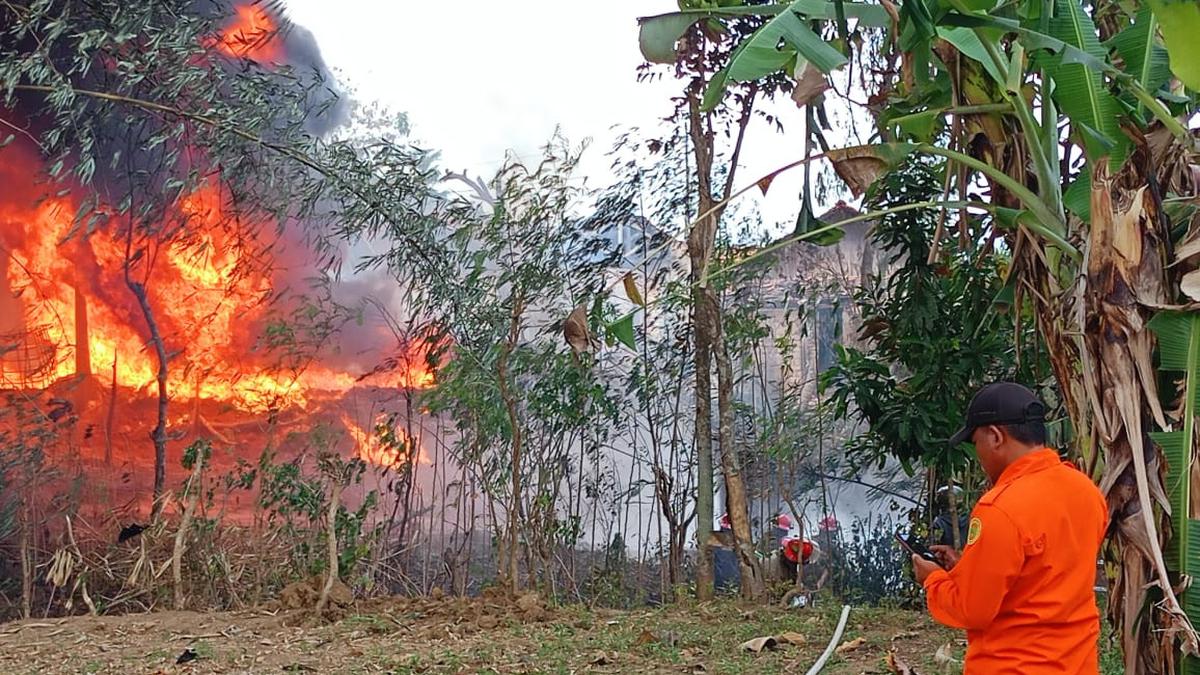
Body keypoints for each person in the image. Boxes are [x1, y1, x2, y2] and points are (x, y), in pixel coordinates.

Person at [910, 382, 1108, 673]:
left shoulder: (1000, 508)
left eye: (976, 442)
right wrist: (967, 567)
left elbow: (972, 610)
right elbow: (1044, 575)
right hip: (1076, 664)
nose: (978, 456)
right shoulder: (1085, 490)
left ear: (995, 437)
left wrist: (934, 580)